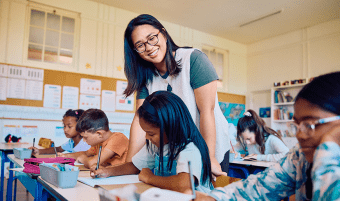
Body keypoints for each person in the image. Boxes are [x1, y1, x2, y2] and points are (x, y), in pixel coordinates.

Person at [195, 71, 340, 201]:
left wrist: (328, 151)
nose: (300, 134)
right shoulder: (300, 156)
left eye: (309, 124)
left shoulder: (280, 143)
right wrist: (214, 198)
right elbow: (260, 187)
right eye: (296, 125)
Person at [123, 14, 230, 177]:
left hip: (210, 146)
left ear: (163, 34)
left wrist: (209, 157)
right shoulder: (146, 77)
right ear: (135, 51)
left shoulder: (193, 59)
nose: (149, 47)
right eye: (140, 45)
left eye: (152, 38)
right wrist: (129, 165)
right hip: (176, 150)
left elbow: (206, 111)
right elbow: (139, 120)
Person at [90, 91, 213, 194]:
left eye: (151, 133)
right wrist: (108, 172)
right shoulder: (156, 145)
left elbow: (184, 185)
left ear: (170, 126)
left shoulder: (189, 148)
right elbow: (134, 166)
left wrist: (150, 178)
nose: (147, 138)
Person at [59, 109, 128, 168]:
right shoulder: (99, 142)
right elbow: (86, 153)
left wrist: (84, 160)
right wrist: (66, 156)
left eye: (85, 137)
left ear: (99, 134)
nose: (84, 140)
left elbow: (93, 163)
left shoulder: (117, 139)